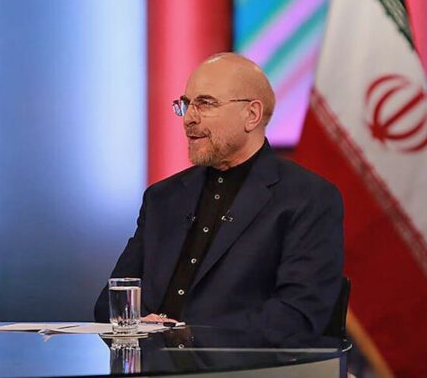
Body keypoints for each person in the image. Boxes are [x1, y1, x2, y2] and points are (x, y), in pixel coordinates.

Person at [94, 53, 343, 337]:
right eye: (186, 104)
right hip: (153, 359)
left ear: (251, 115)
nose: (189, 118)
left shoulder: (307, 198)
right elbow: (110, 303)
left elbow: (296, 316)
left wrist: (189, 336)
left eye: (205, 103)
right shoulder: (162, 198)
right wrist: (140, 324)